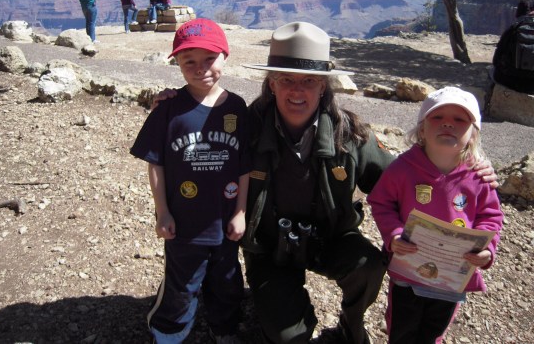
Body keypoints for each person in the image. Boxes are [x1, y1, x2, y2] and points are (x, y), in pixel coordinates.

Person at [153, 22, 499, 344]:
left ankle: (350, 324)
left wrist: (464, 169)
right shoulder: (246, 124)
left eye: (309, 81)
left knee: (370, 265)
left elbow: (402, 182)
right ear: (271, 84)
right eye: (286, 80)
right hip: (269, 246)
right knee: (288, 336)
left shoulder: (350, 134)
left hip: (331, 238)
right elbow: (199, 120)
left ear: (324, 85)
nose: (296, 91)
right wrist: (172, 100)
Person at [130, 18, 250, 344]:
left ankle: (224, 327)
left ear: (224, 56)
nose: (201, 69)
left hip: (225, 221)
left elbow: (245, 167)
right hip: (184, 223)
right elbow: (156, 164)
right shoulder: (169, 109)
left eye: (209, 58)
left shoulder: (238, 108)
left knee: (227, 280)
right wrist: (162, 211)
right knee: (181, 284)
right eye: (189, 62)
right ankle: (169, 331)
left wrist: (240, 212)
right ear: (178, 64)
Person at [366, 86, 503, 344]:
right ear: (421, 129)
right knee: (402, 331)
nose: (448, 124)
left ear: (473, 134)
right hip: (408, 272)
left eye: (459, 119)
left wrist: (488, 250)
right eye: (437, 117)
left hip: (453, 276)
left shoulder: (479, 176)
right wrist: (394, 234)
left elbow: (491, 216)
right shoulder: (402, 168)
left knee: (434, 331)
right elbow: (381, 202)